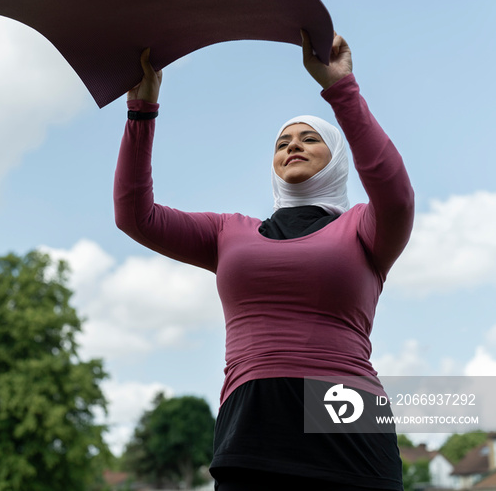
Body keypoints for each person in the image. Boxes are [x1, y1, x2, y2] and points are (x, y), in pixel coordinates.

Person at [114, 31, 414, 490]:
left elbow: (396, 195)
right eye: (282, 142)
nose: (292, 145)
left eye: (309, 139)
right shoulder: (227, 232)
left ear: (336, 159)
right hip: (252, 428)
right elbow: (136, 216)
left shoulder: (364, 227)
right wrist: (141, 110)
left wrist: (341, 89)